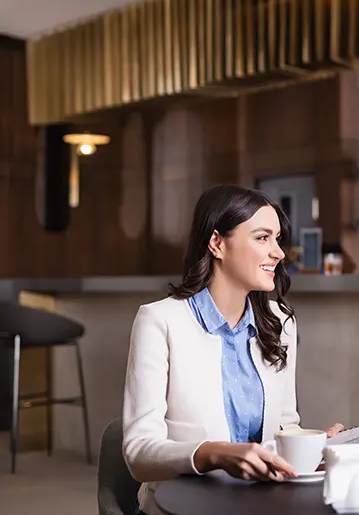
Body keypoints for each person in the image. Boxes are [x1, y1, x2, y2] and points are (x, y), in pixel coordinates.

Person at [122, 185, 344, 515]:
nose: (279, 252)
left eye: (277, 239)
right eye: (262, 237)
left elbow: (284, 426)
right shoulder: (160, 321)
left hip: (262, 504)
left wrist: (312, 446)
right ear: (216, 243)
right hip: (181, 506)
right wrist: (216, 453)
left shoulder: (280, 322)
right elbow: (139, 454)